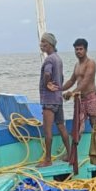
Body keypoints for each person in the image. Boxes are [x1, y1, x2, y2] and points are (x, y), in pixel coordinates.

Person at [62, 38, 96, 165]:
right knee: (77, 127)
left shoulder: (91, 63)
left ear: (85, 50)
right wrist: (59, 89)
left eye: (80, 49)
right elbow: (71, 80)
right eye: (76, 49)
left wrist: (72, 93)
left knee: (95, 127)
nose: (78, 51)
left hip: (91, 98)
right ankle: (72, 155)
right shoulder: (77, 65)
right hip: (80, 100)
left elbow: (86, 82)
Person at [37, 33, 71, 167]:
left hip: (49, 100)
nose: (41, 45)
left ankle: (48, 160)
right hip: (58, 99)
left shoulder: (49, 60)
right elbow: (61, 78)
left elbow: (47, 73)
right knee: (61, 127)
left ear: (50, 44)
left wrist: (47, 84)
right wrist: (57, 87)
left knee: (48, 130)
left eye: (43, 42)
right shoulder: (58, 59)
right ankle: (70, 154)